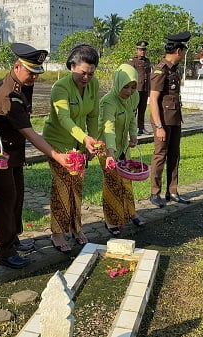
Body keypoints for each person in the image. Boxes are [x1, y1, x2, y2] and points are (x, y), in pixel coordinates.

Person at [0, 43, 71, 268]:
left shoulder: (22, 84)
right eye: (31, 72)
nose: (34, 77)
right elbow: (30, 133)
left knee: (17, 198)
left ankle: (13, 239)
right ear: (17, 66)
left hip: (13, 153)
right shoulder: (8, 95)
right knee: (5, 202)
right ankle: (6, 252)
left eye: (37, 73)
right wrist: (58, 156)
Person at [42, 44, 100, 252]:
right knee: (62, 188)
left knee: (77, 186)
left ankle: (76, 228)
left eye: (91, 74)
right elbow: (64, 118)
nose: (86, 78)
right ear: (71, 66)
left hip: (80, 144)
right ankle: (57, 233)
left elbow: (93, 116)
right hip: (58, 143)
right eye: (82, 73)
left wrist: (91, 142)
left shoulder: (93, 86)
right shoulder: (61, 87)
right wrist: (85, 138)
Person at [98, 64, 145, 237]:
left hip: (123, 146)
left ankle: (130, 213)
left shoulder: (135, 96)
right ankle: (110, 220)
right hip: (106, 146)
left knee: (126, 181)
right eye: (126, 87)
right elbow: (108, 128)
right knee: (112, 183)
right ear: (118, 83)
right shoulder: (108, 102)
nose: (130, 91)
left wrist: (133, 135)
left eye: (133, 87)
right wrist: (111, 153)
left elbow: (132, 116)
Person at [149, 32, 192, 208]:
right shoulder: (161, 70)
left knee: (174, 155)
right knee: (160, 156)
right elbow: (153, 100)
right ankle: (155, 193)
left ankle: (172, 191)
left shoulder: (173, 70)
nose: (183, 55)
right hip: (163, 121)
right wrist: (159, 126)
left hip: (174, 119)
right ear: (178, 51)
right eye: (183, 51)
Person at [127, 41, 152, 136]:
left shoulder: (147, 61)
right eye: (141, 50)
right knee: (133, 110)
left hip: (145, 88)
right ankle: (131, 129)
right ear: (137, 50)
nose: (143, 52)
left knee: (142, 109)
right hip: (135, 89)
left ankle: (141, 128)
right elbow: (129, 74)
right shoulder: (132, 61)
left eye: (144, 50)